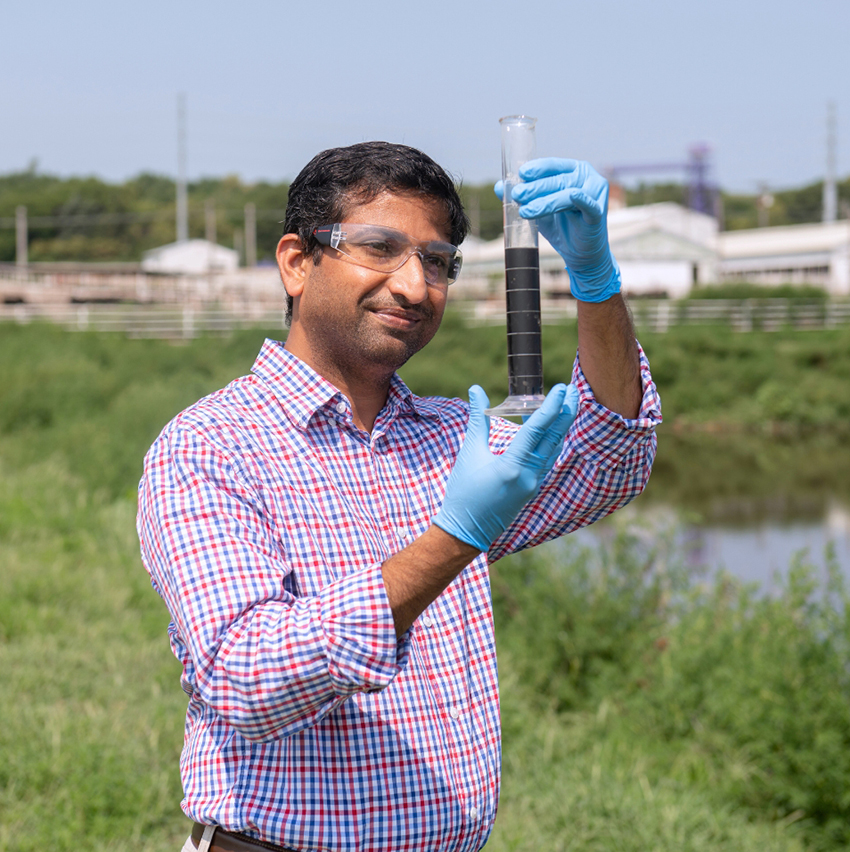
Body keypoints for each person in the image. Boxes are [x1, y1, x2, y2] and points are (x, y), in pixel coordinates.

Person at [137, 141, 661, 852]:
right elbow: (245, 676)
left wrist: (595, 280)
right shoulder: (211, 446)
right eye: (380, 247)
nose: (415, 286)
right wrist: (456, 535)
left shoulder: (451, 437)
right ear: (296, 261)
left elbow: (608, 461)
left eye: (438, 261)